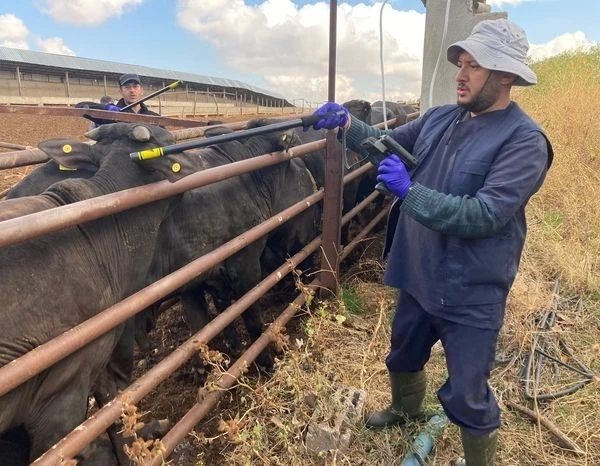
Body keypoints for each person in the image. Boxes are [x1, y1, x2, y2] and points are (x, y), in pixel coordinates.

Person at [310, 18, 552, 465]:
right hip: (419, 268)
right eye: (461, 63)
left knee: (468, 393)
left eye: (474, 66)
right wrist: (349, 124)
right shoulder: (442, 118)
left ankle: (479, 459)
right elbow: (386, 144)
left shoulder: (525, 141)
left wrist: (410, 192)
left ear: (505, 76)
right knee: (402, 352)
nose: (460, 74)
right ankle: (405, 410)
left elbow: (486, 214)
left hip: (471, 285)